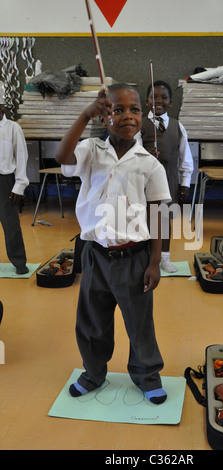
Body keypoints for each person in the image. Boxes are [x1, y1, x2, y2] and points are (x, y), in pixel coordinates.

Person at [55, 84, 171, 404]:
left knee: (139, 323)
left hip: (134, 257)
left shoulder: (149, 164)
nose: (127, 116)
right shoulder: (91, 149)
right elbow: (62, 156)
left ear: (142, 117)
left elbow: (160, 213)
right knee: (93, 322)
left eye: (134, 109)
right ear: (106, 116)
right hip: (94, 255)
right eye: (118, 110)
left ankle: (147, 377)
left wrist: (154, 261)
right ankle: (93, 373)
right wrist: (84, 115)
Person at [139, 80, 193, 273]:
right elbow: (131, 154)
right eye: (154, 96)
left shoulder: (178, 127)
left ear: (170, 102)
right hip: (144, 180)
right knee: (145, 218)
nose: (159, 101)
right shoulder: (141, 125)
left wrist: (185, 183)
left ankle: (165, 257)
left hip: (168, 179)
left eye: (164, 97)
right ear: (147, 101)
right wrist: (146, 155)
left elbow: (185, 158)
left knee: (164, 219)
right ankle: (145, 257)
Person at [0, 81, 29, 275]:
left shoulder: (12, 128)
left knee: (10, 224)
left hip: (5, 181)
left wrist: (19, 185)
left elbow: (22, 157)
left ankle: (19, 261)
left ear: (1, 107)